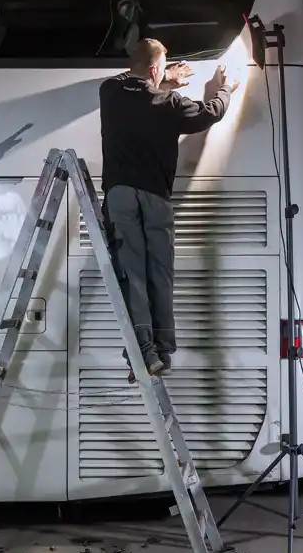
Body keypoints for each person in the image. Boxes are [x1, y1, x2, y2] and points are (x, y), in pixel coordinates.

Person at [99, 37, 240, 383]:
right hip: (156, 197)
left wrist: (162, 77)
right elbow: (210, 113)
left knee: (132, 272)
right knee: (160, 274)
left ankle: (145, 352)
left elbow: (134, 85)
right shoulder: (169, 103)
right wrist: (225, 90)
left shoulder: (110, 92)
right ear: (154, 71)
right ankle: (162, 350)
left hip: (121, 195)